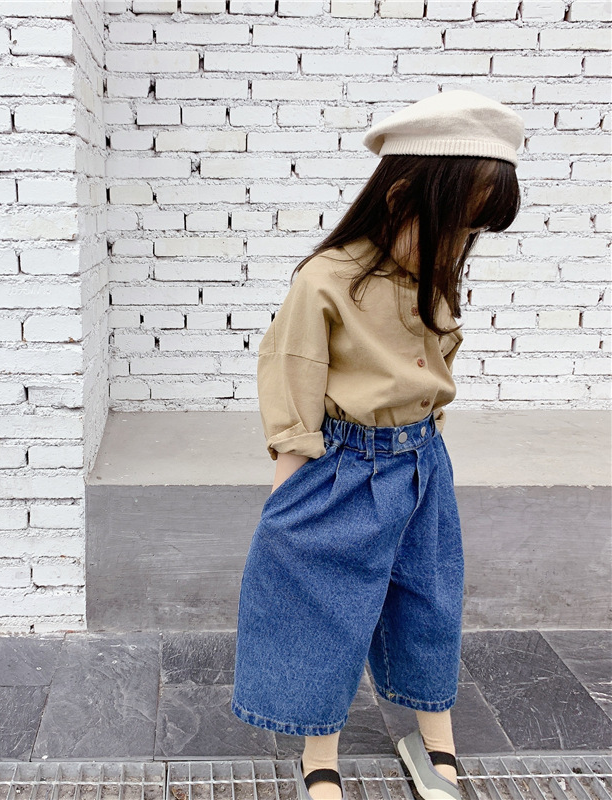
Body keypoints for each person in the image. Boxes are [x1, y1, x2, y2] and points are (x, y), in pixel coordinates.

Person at [230, 90, 524, 800]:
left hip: (422, 466)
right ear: (400, 198)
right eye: (457, 221)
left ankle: (436, 742)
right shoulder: (325, 280)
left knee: (430, 602)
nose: (462, 239)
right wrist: (288, 501)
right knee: (322, 607)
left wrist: (429, 452)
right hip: (342, 468)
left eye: (473, 227)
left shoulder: (432, 274)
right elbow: (293, 378)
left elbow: (433, 371)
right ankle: (320, 755)